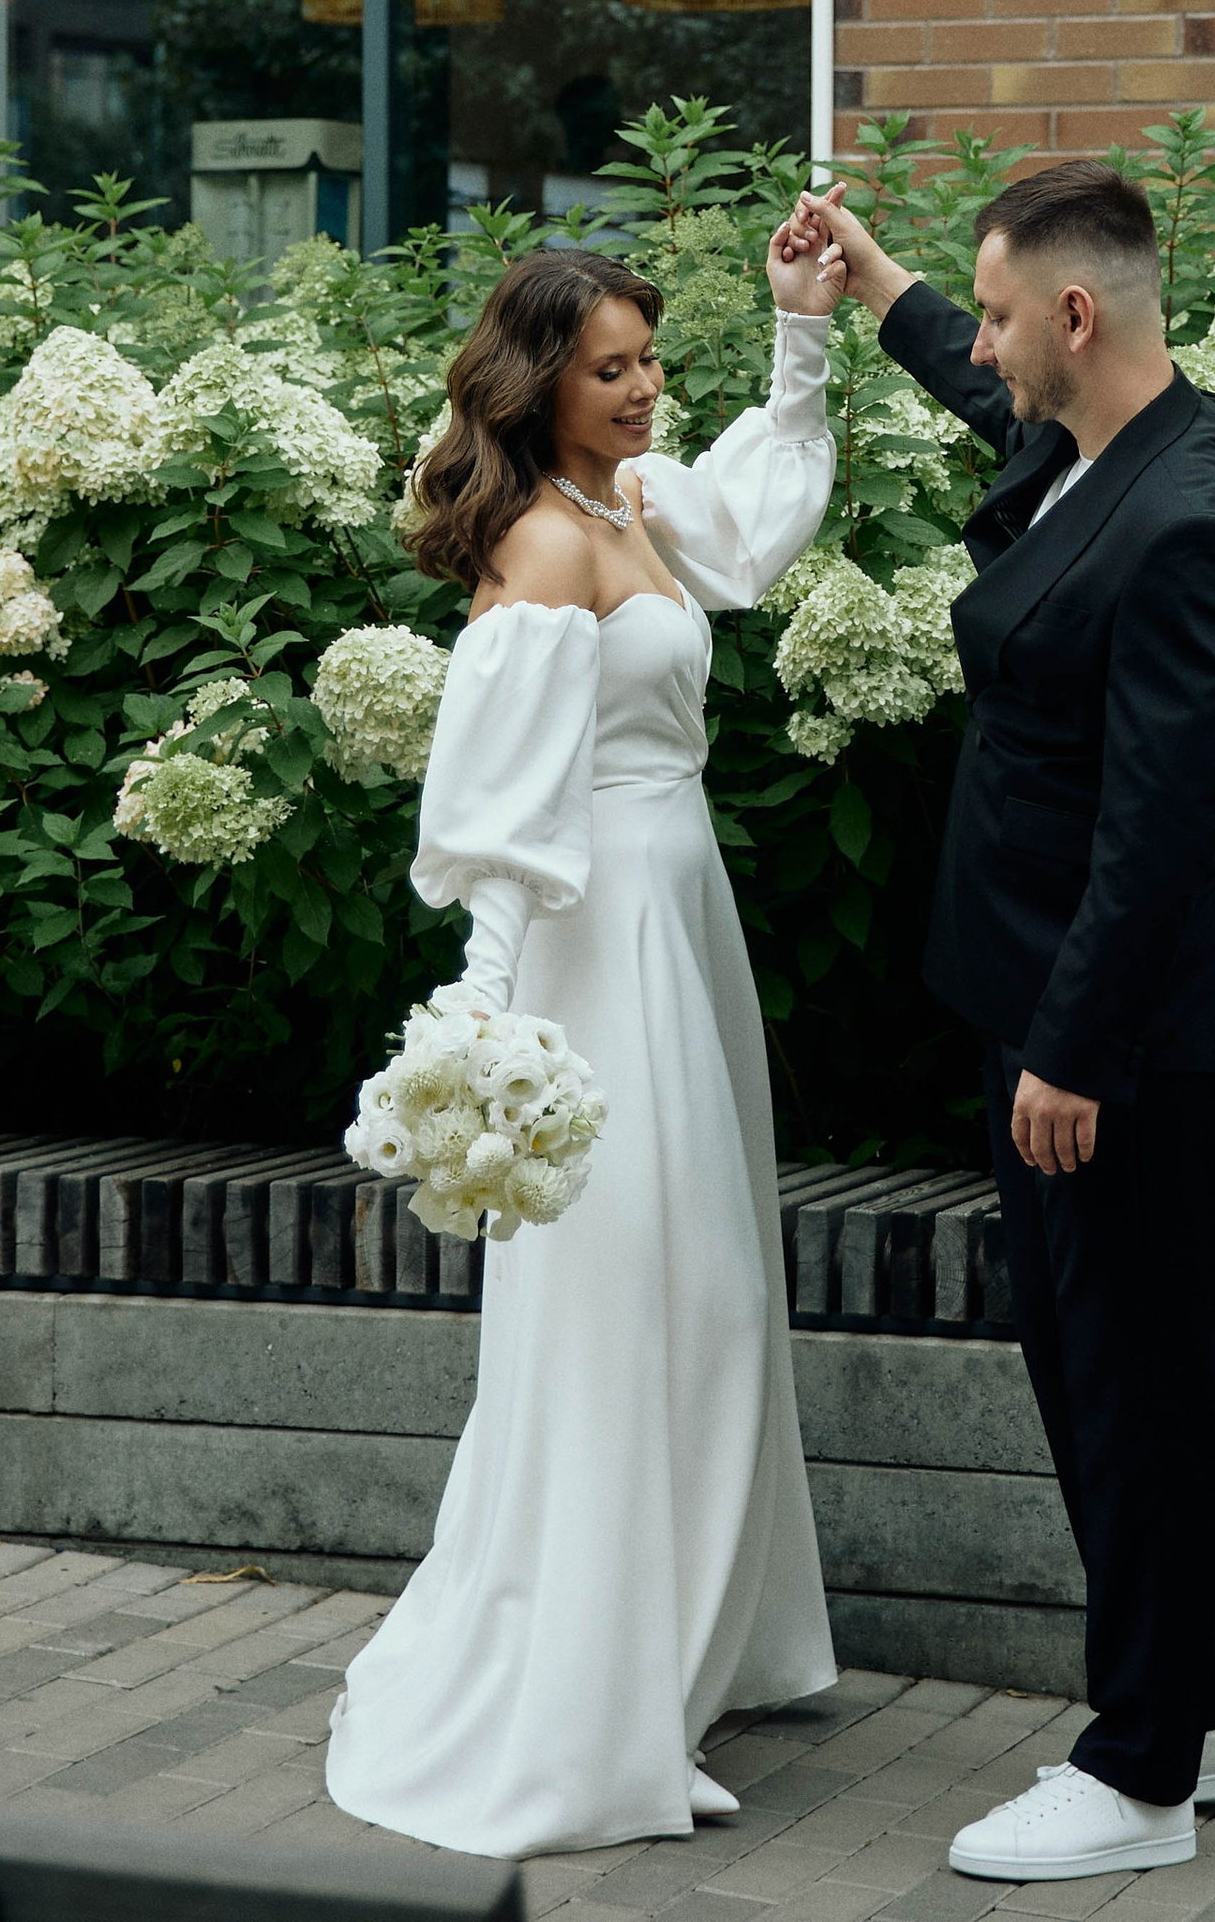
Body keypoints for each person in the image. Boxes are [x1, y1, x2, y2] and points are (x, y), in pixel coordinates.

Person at [788, 158, 1215, 1883]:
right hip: (1051, 1007)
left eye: (1005, 314)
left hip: (1124, 1041)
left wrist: (1070, 1048)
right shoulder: (1099, 447)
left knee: (1125, 1391)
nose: (985, 344)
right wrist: (877, 282)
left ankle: (1142, 1771)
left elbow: (1162, 826)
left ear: (1077, 316)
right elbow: (963, 368)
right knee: (1108, 1380)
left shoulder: (1194, 518)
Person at [326, 228, 844, 1859]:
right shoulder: (544, 554)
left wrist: (800, 334)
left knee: (716, 1295)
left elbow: (757, 533)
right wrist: (482, 1027)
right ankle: (600, 1699)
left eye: (646, 361)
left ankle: (684, 1660)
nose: (640, 390)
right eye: (610, 369)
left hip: (682, 929)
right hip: (595, 942)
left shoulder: (641, 501)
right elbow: (492, 820)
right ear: (540, 385)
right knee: (639, 1303)